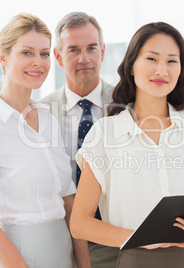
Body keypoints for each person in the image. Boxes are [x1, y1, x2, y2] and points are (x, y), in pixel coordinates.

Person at [69, 21, 184, 268]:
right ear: (132, 66)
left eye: (171, 61)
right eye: (152, 59)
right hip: (135, 258)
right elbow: (79, 224)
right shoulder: (105, 133)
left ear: (181, 69)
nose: (162, 70)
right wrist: (139, 238)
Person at [0, 13, 88, 267]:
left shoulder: (48, 118)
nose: (38, 62)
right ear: (3, 58)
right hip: (18, 256)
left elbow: (68, 200)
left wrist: (84, 263)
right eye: (27, 53)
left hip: (64, 251)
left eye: (43, 54)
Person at [39, 11, 116, 267]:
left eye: (91, 48)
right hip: (58, 238)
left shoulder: (129, 106)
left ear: (102, 52)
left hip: (115, 237)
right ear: (58, 56)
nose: (84, 59)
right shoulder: (38, 113)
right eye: (73, 50)